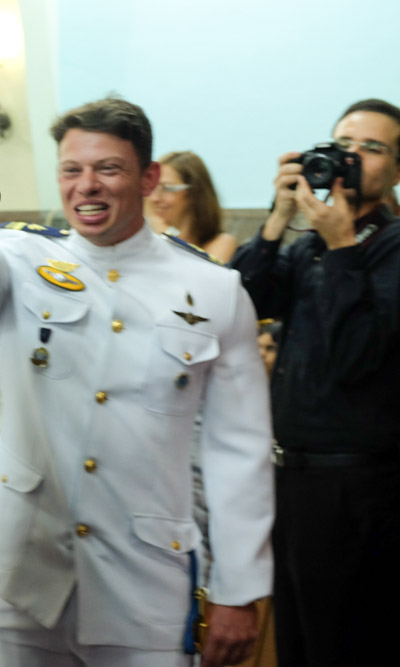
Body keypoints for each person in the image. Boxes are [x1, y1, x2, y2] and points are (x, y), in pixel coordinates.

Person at [0, 97, 274, 667]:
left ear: (148, 177)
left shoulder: (215, 290)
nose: (87, 187)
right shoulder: (14, 261)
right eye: (71, 170)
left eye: (109, 169)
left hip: (144, 583)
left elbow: (238, 450)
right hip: (23, 573)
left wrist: (239, 589)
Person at [231, 98, 400, 667]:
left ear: (396, 169)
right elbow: (242, 304)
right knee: (296, 640)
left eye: (371, 148)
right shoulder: (308, 245)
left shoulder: (391, 248)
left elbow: (356, 355)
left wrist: (344, 246)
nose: (351, 157)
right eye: (341, 144)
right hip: (290, 480)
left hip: (359, 489)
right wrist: (278, 219)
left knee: (346, 642)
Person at [147, 150, 238, 263]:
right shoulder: (144, 240)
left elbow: (195, 277)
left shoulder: (222, 242)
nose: (155, 198)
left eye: (167, 188)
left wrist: (166, 235)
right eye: (152, 188)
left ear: (194, 194)